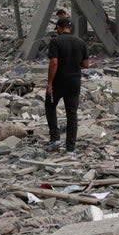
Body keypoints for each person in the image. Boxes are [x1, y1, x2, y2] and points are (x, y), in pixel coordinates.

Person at [45, 17, 89, 152]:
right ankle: (71, 148)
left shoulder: (55, 41)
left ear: (59, 28)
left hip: (59, 81)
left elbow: (53, 62)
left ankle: (55, 138)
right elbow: (86, 65)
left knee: (50, 105)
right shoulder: (81, 42)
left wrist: (49, 83)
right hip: (74, 82)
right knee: (72, 113)